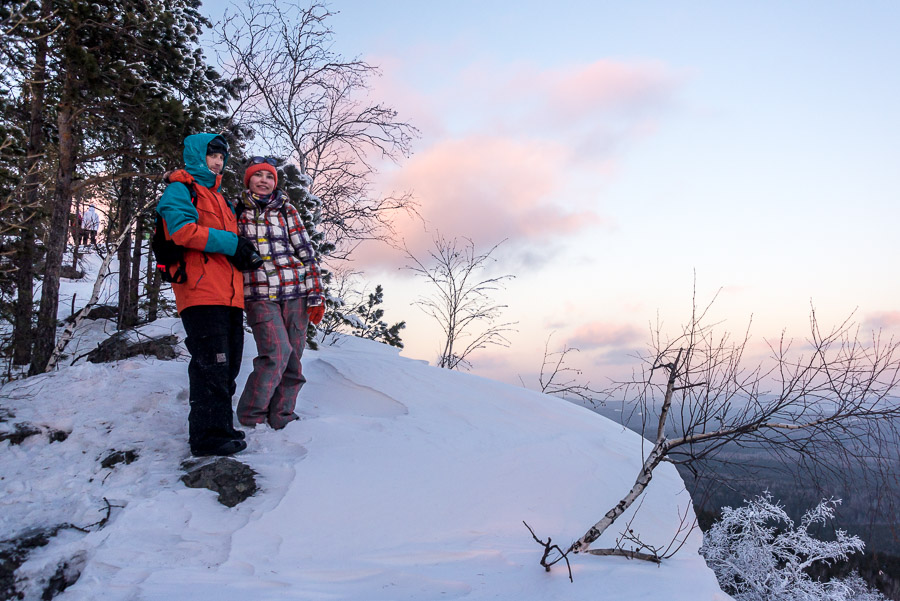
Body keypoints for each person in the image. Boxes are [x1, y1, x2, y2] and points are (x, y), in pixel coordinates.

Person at [156, 133, 263, 457]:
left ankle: (221, 427)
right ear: (196, 155)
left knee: (227, 367)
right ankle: (206, 438)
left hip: (229, 295)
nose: (217, 162)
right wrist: (232, 244)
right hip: (200, 292)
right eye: (211, 155)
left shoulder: (221, 198)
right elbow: (182, 230)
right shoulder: (180, 189)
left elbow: (227, 240)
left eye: (221, 157)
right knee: (210, 366)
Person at [236, 157, 325, 430]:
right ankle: (251, 417)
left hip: (295, 292)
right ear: (248, 180)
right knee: (276, 353)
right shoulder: (236, 210)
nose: (264, 180)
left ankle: (283, 417)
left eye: (269, 177)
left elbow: (307, 254)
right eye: (258, 175)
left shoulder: (287, 211)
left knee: (294, 360)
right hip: (259, 294)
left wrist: (316, 294)